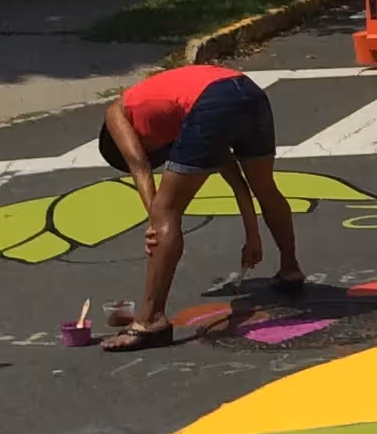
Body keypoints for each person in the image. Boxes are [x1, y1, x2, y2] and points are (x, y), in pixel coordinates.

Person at [92, 61, 303, 349]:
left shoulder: (116, 115)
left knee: (166, 210)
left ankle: (150, 319)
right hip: (247, 92)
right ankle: (290, 269)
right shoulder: (176, 116)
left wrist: (155, 222)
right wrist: (252, 236)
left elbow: (139, 168)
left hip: (212, 100)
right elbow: (237, 180)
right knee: (265, 187)